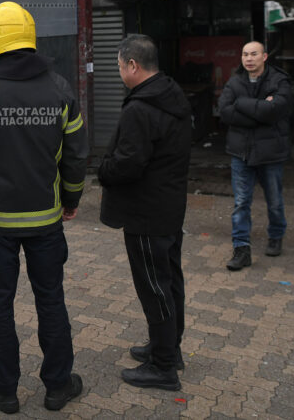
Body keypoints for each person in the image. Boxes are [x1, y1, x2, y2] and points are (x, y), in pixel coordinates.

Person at [0, 1, 87, 414]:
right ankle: (58, 387)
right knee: (51, 302)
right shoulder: (60, 88)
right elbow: (76, 155)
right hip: (46, 220)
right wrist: (71, 199)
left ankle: (3, 389)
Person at [97, 34, 191, 392]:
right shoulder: (171, 95)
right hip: (169, 208)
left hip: (146, 213)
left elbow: (128, 163)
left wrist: (103, 171)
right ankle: (168, 347)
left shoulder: (141, 108)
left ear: (133, 65)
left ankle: (163, 367)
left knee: (155, 289)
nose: (120, 72)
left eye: (120, 66)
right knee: (170, 282)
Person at [218, 41, 294, 271]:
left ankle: (276, 235)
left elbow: (276, 111)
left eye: (253, 54)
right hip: (241, 153)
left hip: (271, 154)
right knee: (241, 203)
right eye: (244, 54)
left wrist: (241, 105)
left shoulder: (279, 81)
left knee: (275, 201)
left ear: (265, 57)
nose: (248, 58)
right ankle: (241, 249)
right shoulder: (235, 81)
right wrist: (260, 111)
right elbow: (224, 111)